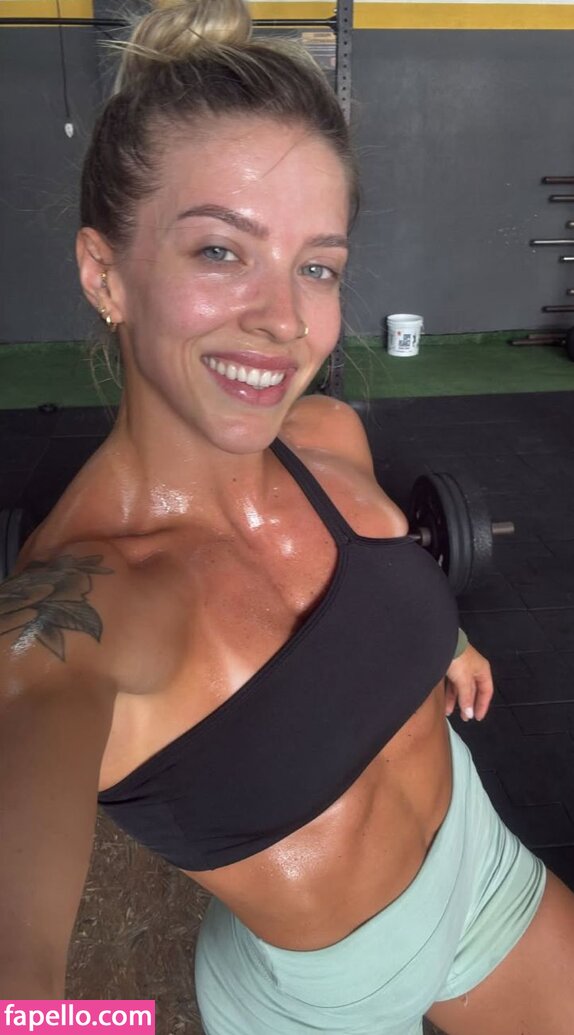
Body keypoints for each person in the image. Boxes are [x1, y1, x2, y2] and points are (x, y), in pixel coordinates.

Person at [1, 0, 573, 1031]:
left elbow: (381, 573)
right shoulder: (72, 627)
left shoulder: (326, 438)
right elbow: (15, 977)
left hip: (482, 870)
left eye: (317, 267)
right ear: (104, 273)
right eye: (221, 251)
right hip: (325, 1001)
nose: (282, 319)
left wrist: (441, 636)